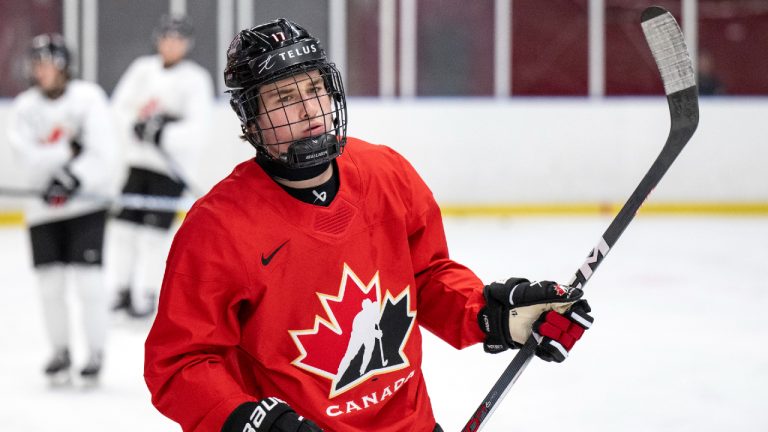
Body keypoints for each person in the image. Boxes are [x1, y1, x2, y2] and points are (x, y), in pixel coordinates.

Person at [144, 19, 594, 432]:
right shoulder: (217, 227)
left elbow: (428, 276)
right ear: (250, 119)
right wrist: (249, 420)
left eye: (315, 89)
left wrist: (491, 314)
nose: (309, 110)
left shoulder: (385, 172)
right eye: (284, 99)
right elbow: (180, 362)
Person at [7, 33, 119, 384]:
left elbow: (103, 152)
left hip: (84, 206)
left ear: (64, 66)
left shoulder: (88, 99)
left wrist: (73, 179)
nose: (42, 71)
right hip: (41, 210)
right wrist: (67, 153)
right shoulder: (24, 107)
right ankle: (60, 351)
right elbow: (24, 159)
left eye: (49, 64)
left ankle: (96, 352)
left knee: (89, 283)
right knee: (50, 286)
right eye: (37, 64)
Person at [108, 14, 214, 318]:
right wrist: (137, 126)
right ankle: (121, 288)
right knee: (124, 228)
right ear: (158, 40)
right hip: (139, 163)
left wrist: (163, 133)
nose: (171, 45)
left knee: (154, 235)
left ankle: (148, 292)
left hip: (170, 171)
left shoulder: (195, 79)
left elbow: (198, 129)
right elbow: (120, 107)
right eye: (167, 38)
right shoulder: (142, 69)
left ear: (186, 44)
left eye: (177, 40)